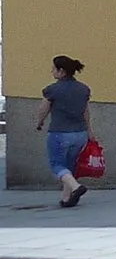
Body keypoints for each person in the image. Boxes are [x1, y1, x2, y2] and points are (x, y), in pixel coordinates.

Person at [34, 56, 91, 207]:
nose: (51, 71)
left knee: (57, 165)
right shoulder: (83, 89)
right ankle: (66, 198)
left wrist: (39, 122)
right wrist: (89, 131)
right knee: (70, 166)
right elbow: (86, 111)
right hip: (80, 133)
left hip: (60, 132)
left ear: (62, 71)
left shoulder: (52, 90)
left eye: (53, 68)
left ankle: (77, 187)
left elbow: (43, 109)